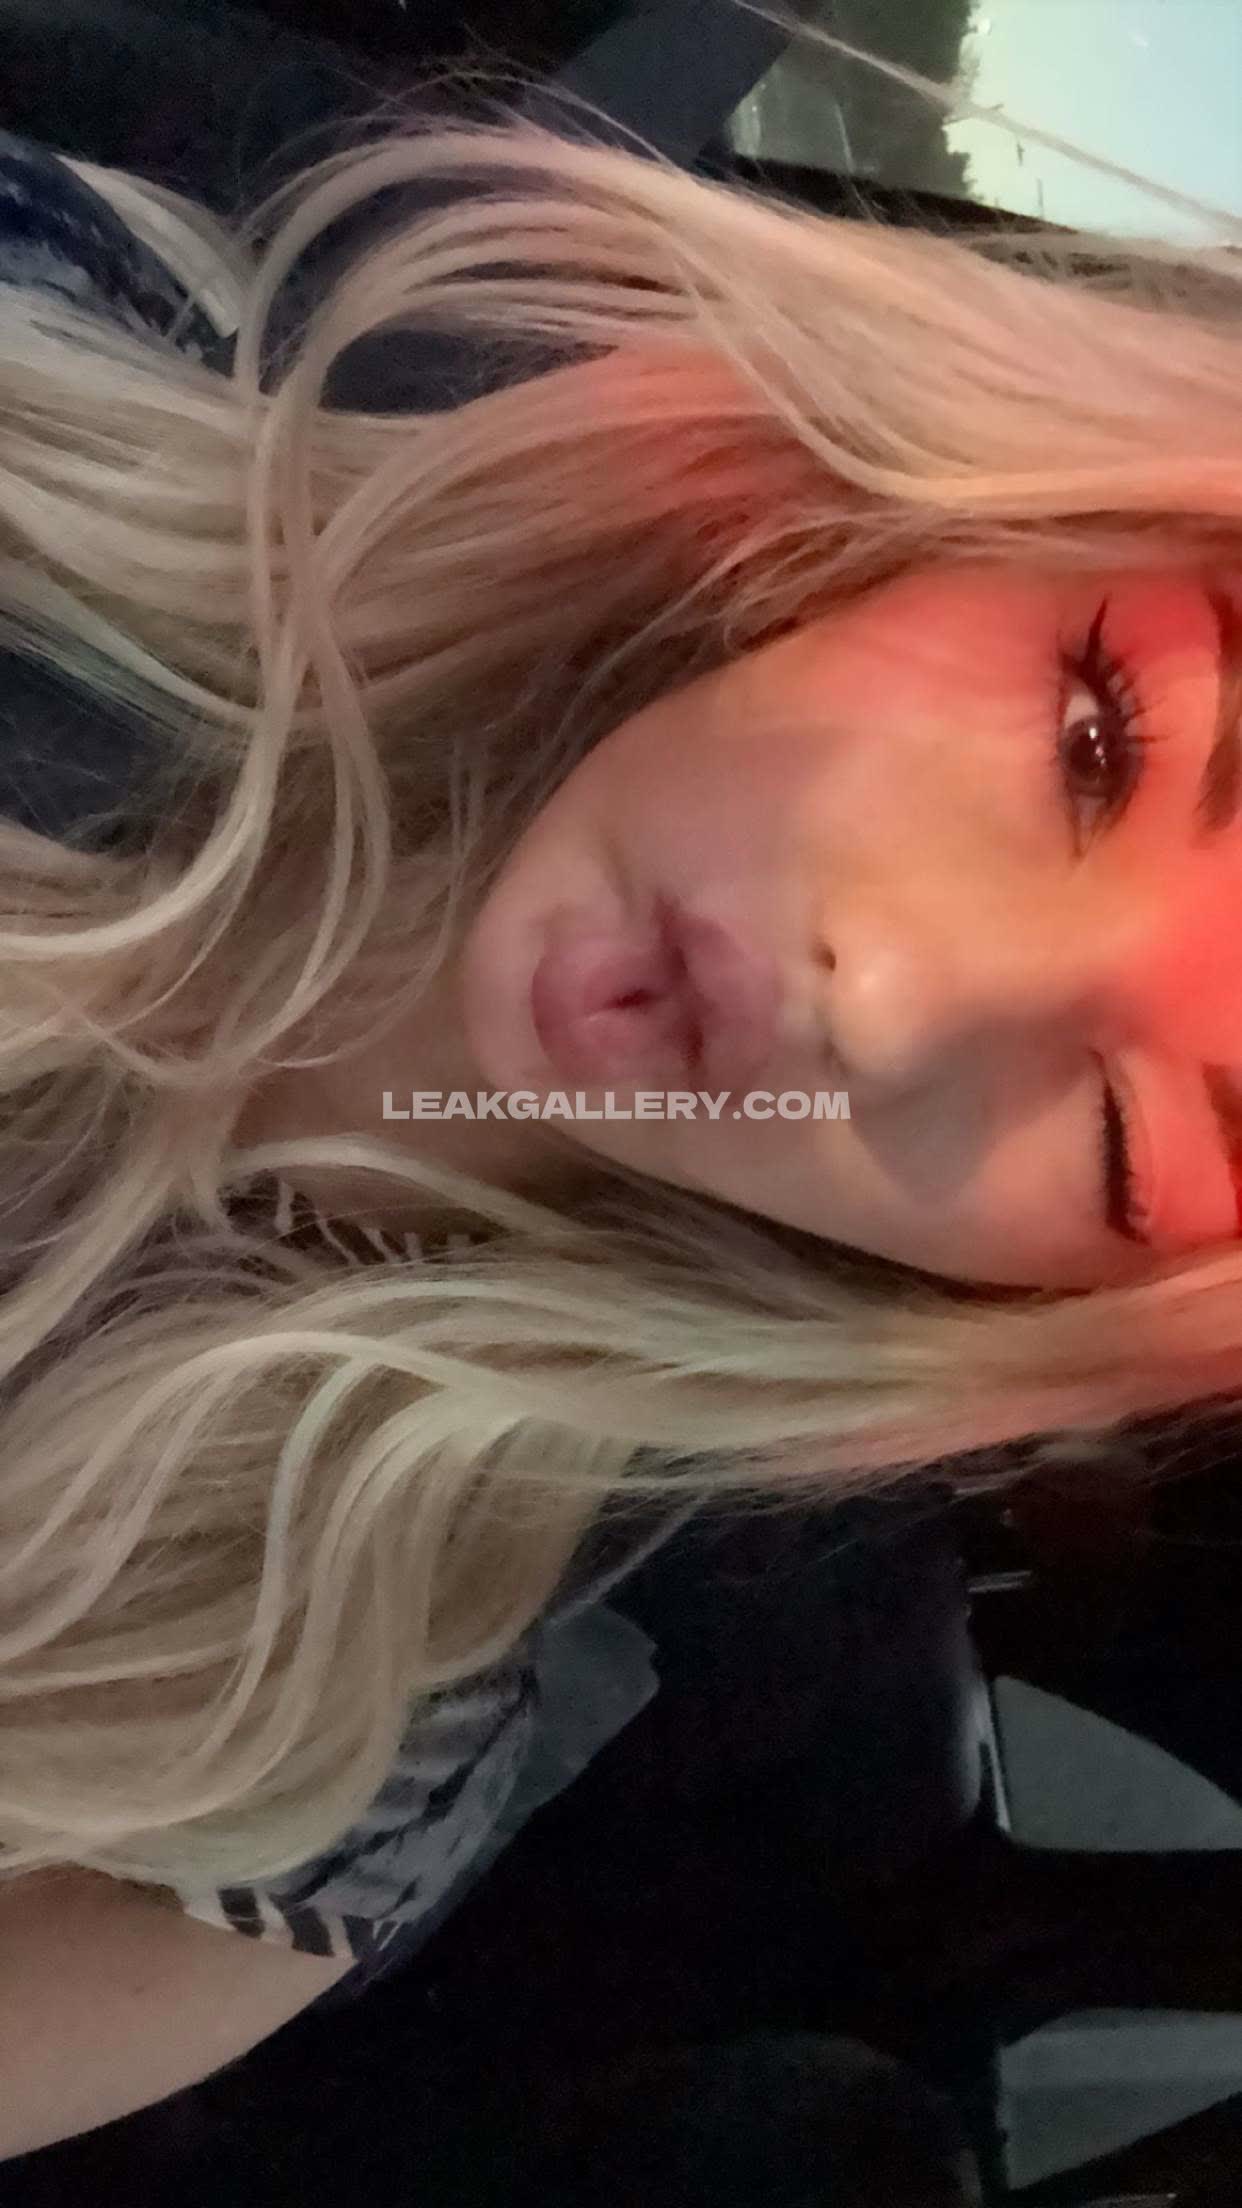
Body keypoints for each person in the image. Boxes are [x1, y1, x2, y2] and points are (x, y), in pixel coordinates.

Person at [0, 0, 1239, 2162]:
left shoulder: (280, 1759)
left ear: (1075, 1313)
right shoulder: (67, 344)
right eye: (1096, 739)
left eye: (1135, 1133)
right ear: (974, 511)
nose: (885, 993)